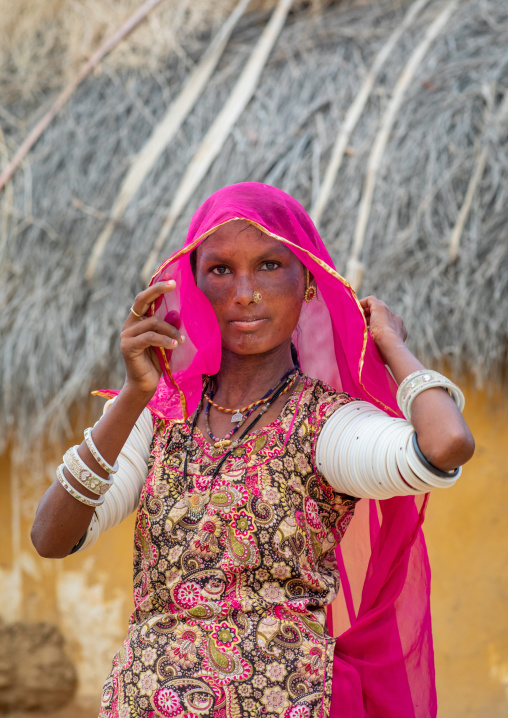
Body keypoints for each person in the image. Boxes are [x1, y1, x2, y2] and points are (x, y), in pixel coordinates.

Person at [32, 182, 474, 718]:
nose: (245, 293)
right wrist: (135, 395)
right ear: (192, 284)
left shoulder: (326, 427)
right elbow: (52, 536)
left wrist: (392, 347)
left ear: (309, 281)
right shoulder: (156, 419)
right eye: (220, 270)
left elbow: (445, 444)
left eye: (268, 266)